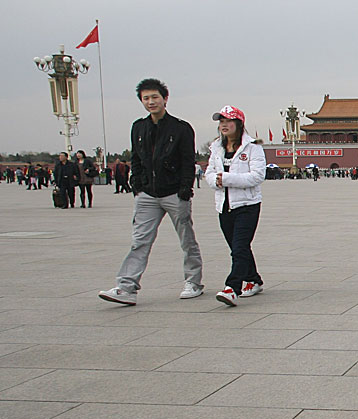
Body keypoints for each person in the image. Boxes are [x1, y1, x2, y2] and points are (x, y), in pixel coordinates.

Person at [98, 78, 203, 306]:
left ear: (165, 98)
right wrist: (136, 184)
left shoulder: (181, 128)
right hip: (147, 195)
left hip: (174, 193)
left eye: (155, 97)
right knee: (140, 241)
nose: (151, 102)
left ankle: (193, 281)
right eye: (146, 98)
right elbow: (135, 158)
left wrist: (185, 189)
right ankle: (126, 287)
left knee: (187, 240)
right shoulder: (139, 127)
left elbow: (188, 160)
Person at [204, 105, 265, 307]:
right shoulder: (216, 148)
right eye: (221, 122)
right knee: (238, 247)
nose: (224, 125)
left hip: (247, 205)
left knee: (238, 248)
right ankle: (254, 280)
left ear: (238, 124)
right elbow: (209, 173)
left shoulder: (253, 148)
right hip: (224, 206)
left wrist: (227, 178)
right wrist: (216, 181)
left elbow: (257, 176)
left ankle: (232, 288)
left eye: (228, 121)